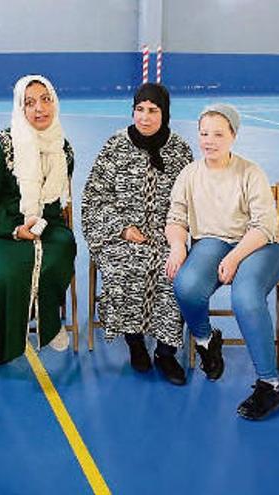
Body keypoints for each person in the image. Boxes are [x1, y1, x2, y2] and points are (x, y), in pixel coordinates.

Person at [167, 104, 279, 420]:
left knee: (245, 297)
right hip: (211, 241)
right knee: (187, 285)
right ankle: (206, 341)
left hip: (260, 245)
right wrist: (178, 246)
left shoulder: (250, 172)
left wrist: (234, 257)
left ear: (233, 136)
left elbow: (264, 226)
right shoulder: (189, 174)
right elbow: (176, 217)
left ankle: (269, 384)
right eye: (204, 133)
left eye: (219, 134)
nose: (210, 140)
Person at [81, 83, 193, 385]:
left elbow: (191, 202)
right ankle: (135, 342)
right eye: (139, 109)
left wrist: (176, 239)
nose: (145, 117)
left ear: (164, 113)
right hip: (121, 236)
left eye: (153, 110)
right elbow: (94, 198)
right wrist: (122, 228)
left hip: (168, 236)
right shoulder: (115, 146)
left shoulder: (180, 150)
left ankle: (166, 352)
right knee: (125, 267)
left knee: (174, 275)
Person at [0, 75, 77, 365]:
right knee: (9, 273)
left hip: (47, 223)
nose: (40, 109)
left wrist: (41, 223)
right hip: (2, 228)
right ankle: (5, 342)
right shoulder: (2, 145)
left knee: (61, 251)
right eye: (29, 103)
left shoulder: (63, 148)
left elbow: (57, 199)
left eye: (46, 99)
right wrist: (15, 229)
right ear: (20, 108)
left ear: (54, 102)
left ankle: (49, 326)